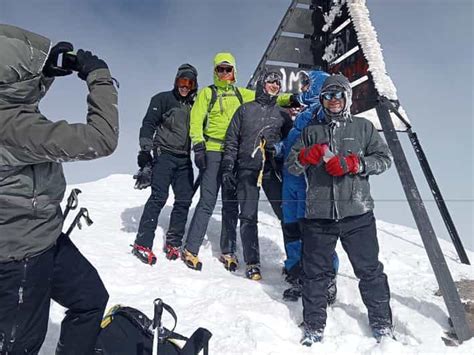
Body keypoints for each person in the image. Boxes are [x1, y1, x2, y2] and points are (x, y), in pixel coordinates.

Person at [0, 25, 118, 354]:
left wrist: (46, 71)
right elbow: (101, 140)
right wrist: (100, 78)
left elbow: (16, 96)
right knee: (19, 347)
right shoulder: (13, 128)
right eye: (31, 71)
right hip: (19, 257)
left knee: (91, 300)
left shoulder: (12, 113)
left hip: (46, 238)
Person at [286, 74, 393, 345]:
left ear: (347, 97)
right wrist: (303, 156)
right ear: (321, 100)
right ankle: (313, 325)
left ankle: (382, 324)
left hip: (357, 213)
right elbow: (291, 165)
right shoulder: (311, 130)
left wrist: (354, 164)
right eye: (327, 96)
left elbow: (383, 160)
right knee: (314, 274)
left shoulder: (363, 127)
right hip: (318, 217)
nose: (333, 101)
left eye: (337, 95)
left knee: (369, 270)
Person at [182, 52, 295, 271]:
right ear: (215, 71)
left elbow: (267, 94)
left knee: (231, 203)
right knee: (207, 199)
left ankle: (228, 251)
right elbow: (196, 121)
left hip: (235, 153)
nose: (224, 73)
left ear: (234, 71)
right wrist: (198, 146)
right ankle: (191, 248)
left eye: (228, 69)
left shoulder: (241, 94)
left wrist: (290, 98)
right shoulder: (208, 93)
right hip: (213, 149)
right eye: (220, 69)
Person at [221, 71, 293, 280]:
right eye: (271, 81)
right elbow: (232, 140)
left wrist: (277, 149)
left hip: (271, 170)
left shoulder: (282, 115)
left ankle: (294, 263)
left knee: (286, 216)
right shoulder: (245, 110)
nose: (275, 85)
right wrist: (227, 167)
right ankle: (252, 263)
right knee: (248, 216)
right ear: (262, 84)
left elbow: (291, 143)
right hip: (247, 169)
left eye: (278, 83)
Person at [280, 70, 339, 303]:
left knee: (314, 232)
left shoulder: (324, 113)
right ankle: (297, 271)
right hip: (290, 178)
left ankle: (325, 278)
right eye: (303, 83)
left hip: (308, 181)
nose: (303, 88)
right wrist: (278, 149)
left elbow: (328, 148)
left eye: (307, 83)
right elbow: (294, 141)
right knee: (292, 226)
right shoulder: (306, 113)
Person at [132, 64, 198, 265]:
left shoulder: (195, 106)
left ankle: (174, 242)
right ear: (176, 81)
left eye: (189, 83)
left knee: (184, 199)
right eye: (182, 81)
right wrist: (145, 150)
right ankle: (142, 243)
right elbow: (148, 123)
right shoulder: (162, 99)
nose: (185, 86)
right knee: (159, 197)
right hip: (164, 155)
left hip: (184, 158)